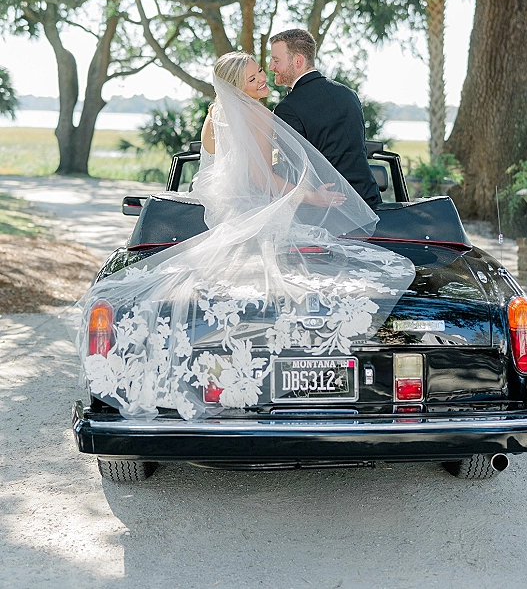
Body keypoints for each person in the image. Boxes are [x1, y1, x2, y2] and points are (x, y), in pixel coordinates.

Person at [73, 52, 415, 422]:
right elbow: (262, 180)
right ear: (238, 87)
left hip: (216, 208)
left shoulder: (215, 113)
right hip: (250, 208)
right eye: (254, 79)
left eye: (262, 72)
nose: (264, 79)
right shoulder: (257, 116)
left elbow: (215, 168)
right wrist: (313, 196)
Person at [269, 29, 382, 209]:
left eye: (276, 61)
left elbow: (289, 169)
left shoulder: (288, 108)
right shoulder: (349, 95)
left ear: (298, 61)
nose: (271, 67)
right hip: (368, 201)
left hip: (325, 208)